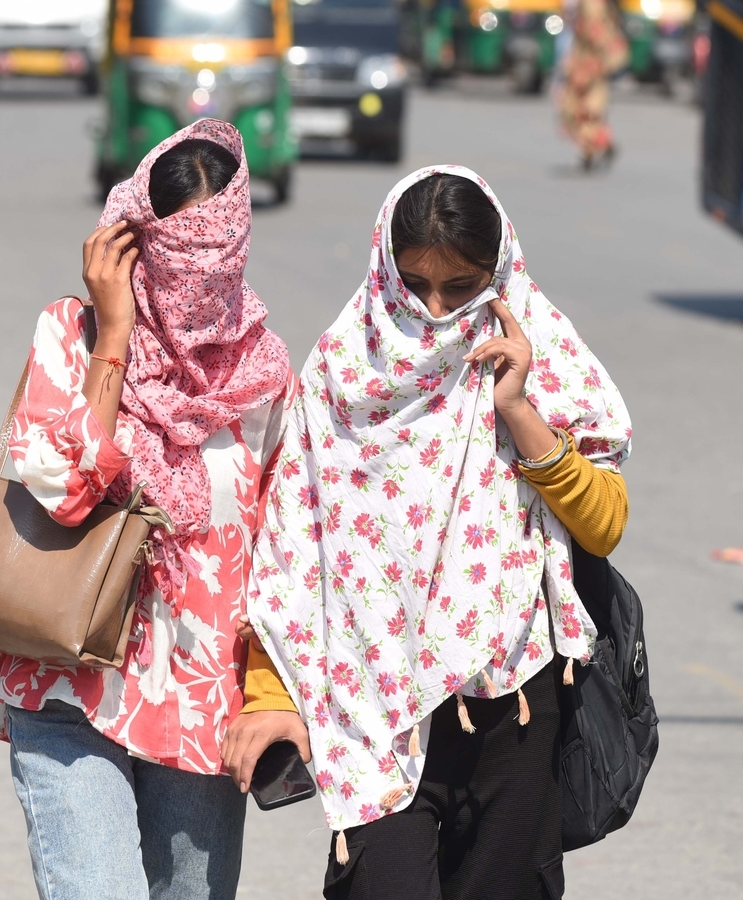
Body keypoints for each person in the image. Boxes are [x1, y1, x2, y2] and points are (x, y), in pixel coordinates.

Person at [233, 167, 632, 899]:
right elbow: (293, 552)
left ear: (500, 270)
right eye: (415, 285)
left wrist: (519, 411)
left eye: (463, 287)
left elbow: (603, 525)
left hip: (513, 706)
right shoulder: (341, 372)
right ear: (385, 269)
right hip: (373, 712)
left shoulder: (537, 354)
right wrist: (268, 695)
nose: (438, 310)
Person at [0, 119, 305, 900]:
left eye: (213, 265)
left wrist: (273, 699)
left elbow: (288, 559)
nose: (192, 287)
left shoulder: (265, 381)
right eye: (175, 259)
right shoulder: (70, 334)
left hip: (204, 708)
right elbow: (66, 487)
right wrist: (114, 332)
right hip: (67, 679)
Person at [556, 0, 628, 170]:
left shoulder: (592, 6)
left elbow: (598, 34)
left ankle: (595, 148)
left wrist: (597, 64)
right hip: (584, 62)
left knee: (588, 111)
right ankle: (593, 149)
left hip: (592, 65)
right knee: (576, 109)